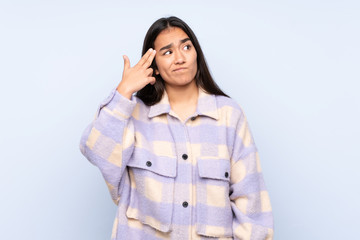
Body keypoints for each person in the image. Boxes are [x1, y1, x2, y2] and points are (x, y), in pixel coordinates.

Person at [79, 16, 274, 240]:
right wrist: (123, 92)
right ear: (156, 67)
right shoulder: (134, 113)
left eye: (186, 47)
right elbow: (96, 149)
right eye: (168, 52)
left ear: (196, 55)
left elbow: (252, 203)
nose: (180, 58)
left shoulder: (228, 115)